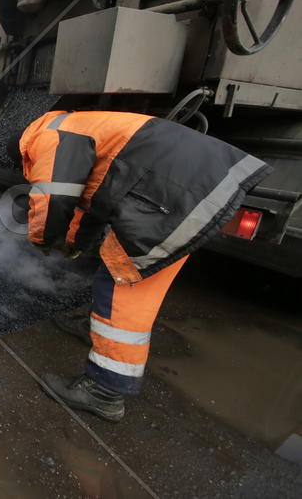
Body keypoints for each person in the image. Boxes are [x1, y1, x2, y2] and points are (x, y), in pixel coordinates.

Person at [15, 109, 270, 422]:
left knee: (123, 286)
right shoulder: (79, 124)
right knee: (116, 268)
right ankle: (97, 332)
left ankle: (104, 390)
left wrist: (42, 240)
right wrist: (73, 244)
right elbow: (87, 202)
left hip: (174, 198)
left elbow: (55, 199)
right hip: (189, 189)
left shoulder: (49, 137)